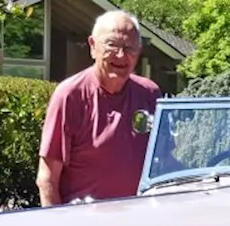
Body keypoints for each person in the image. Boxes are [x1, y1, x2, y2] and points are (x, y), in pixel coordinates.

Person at [36, 10, 162, 206]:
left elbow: (164, 164)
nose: (121, 55)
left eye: (130, 48)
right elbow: (47, 179)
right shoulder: (70, 95)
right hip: (86, 225)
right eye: (112, 45)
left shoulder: (150, 94)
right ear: (93, 46)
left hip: (140, 222)